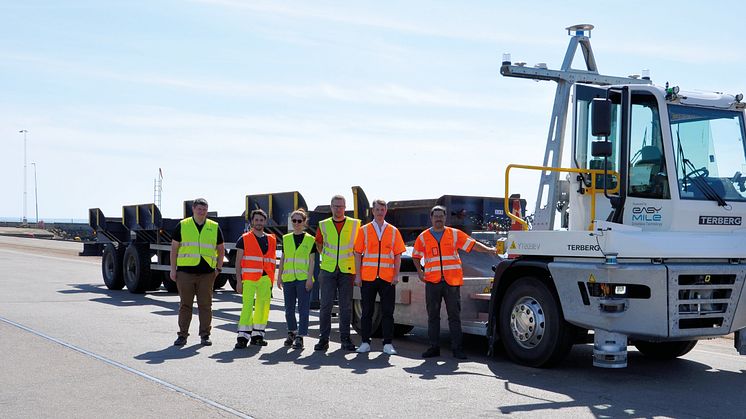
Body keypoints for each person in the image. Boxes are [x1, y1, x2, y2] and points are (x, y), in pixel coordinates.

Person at [412, 205, 496, 360]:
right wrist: (419, 271)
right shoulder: (423, 237)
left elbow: (472, 244)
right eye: (435, 216)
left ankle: (457, 349)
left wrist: (489, 249)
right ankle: (433, 347)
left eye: (441, 216)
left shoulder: (454, 234)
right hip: (433, 282)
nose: (438, 219)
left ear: (445, 218)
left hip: (451, 282)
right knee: (433, 316)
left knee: (454, 316)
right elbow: (416, 255)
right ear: (431, 218)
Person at [353, 199, 406, 355]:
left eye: (383, 209)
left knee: (388, 312)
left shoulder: (393, 231)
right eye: (377, 209)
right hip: (368, 278)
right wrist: (358, 276)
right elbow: (357, 253)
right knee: (367, 312)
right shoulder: (364, 230)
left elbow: (398, 255)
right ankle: (365, 342)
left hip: (387, 278)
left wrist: (396, 275)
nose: (380, 212)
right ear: (373, 211)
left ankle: (387, 343)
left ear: (386, 211)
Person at [170, 198, 225, 347]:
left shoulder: (214, 227)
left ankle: (205, 335)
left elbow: (221, 249)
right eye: (199, 209)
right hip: (185, 274)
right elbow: (174, 248)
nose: (202, 212)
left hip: (207, 274)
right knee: (185, 305)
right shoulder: (183, 225)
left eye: (204, 209)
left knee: (205, 306)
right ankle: (182, 335)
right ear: (193, 209)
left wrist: (218, 268)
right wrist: (173, 269)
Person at [314, 195, 360, 352]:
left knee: (345, 307)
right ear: (331, 207)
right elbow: (319, 243)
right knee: (325, 306)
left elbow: (359, 247)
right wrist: (328, 258)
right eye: (335, 206)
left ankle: (345, 339)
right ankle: (323, 339)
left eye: (341, 206)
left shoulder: (355, 224)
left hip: (347, 270)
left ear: (345, 207)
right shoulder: (324, 224)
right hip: (328, 270)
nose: (338, 209)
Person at [234, 209, 276, 348]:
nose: (258, 222)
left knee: (263, 307)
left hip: (265, 279)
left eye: (261, 220)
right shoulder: (244, 238)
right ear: (252, 221)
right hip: (249, 278)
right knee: (247, 307)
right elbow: (238, 261)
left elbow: (271, 260)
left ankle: (258, 335)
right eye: (256, 220)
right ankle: (243, 337)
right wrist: (239, 282)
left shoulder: (271, 239)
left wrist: (271, 280)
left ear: (265, 221)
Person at [277, 209, 316, 350]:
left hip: (303, 278)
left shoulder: (310, 239)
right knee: (288, 310)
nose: (297, 223)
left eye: (299, 221)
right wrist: (279, 277)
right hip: (288, 279)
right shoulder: (286, 238)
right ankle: (292, 332)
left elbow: (312, 261)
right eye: (294, 220)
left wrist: (310, 279)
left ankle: (301, 336)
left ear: (304, 222)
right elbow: (283, 259)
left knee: (303, 309)